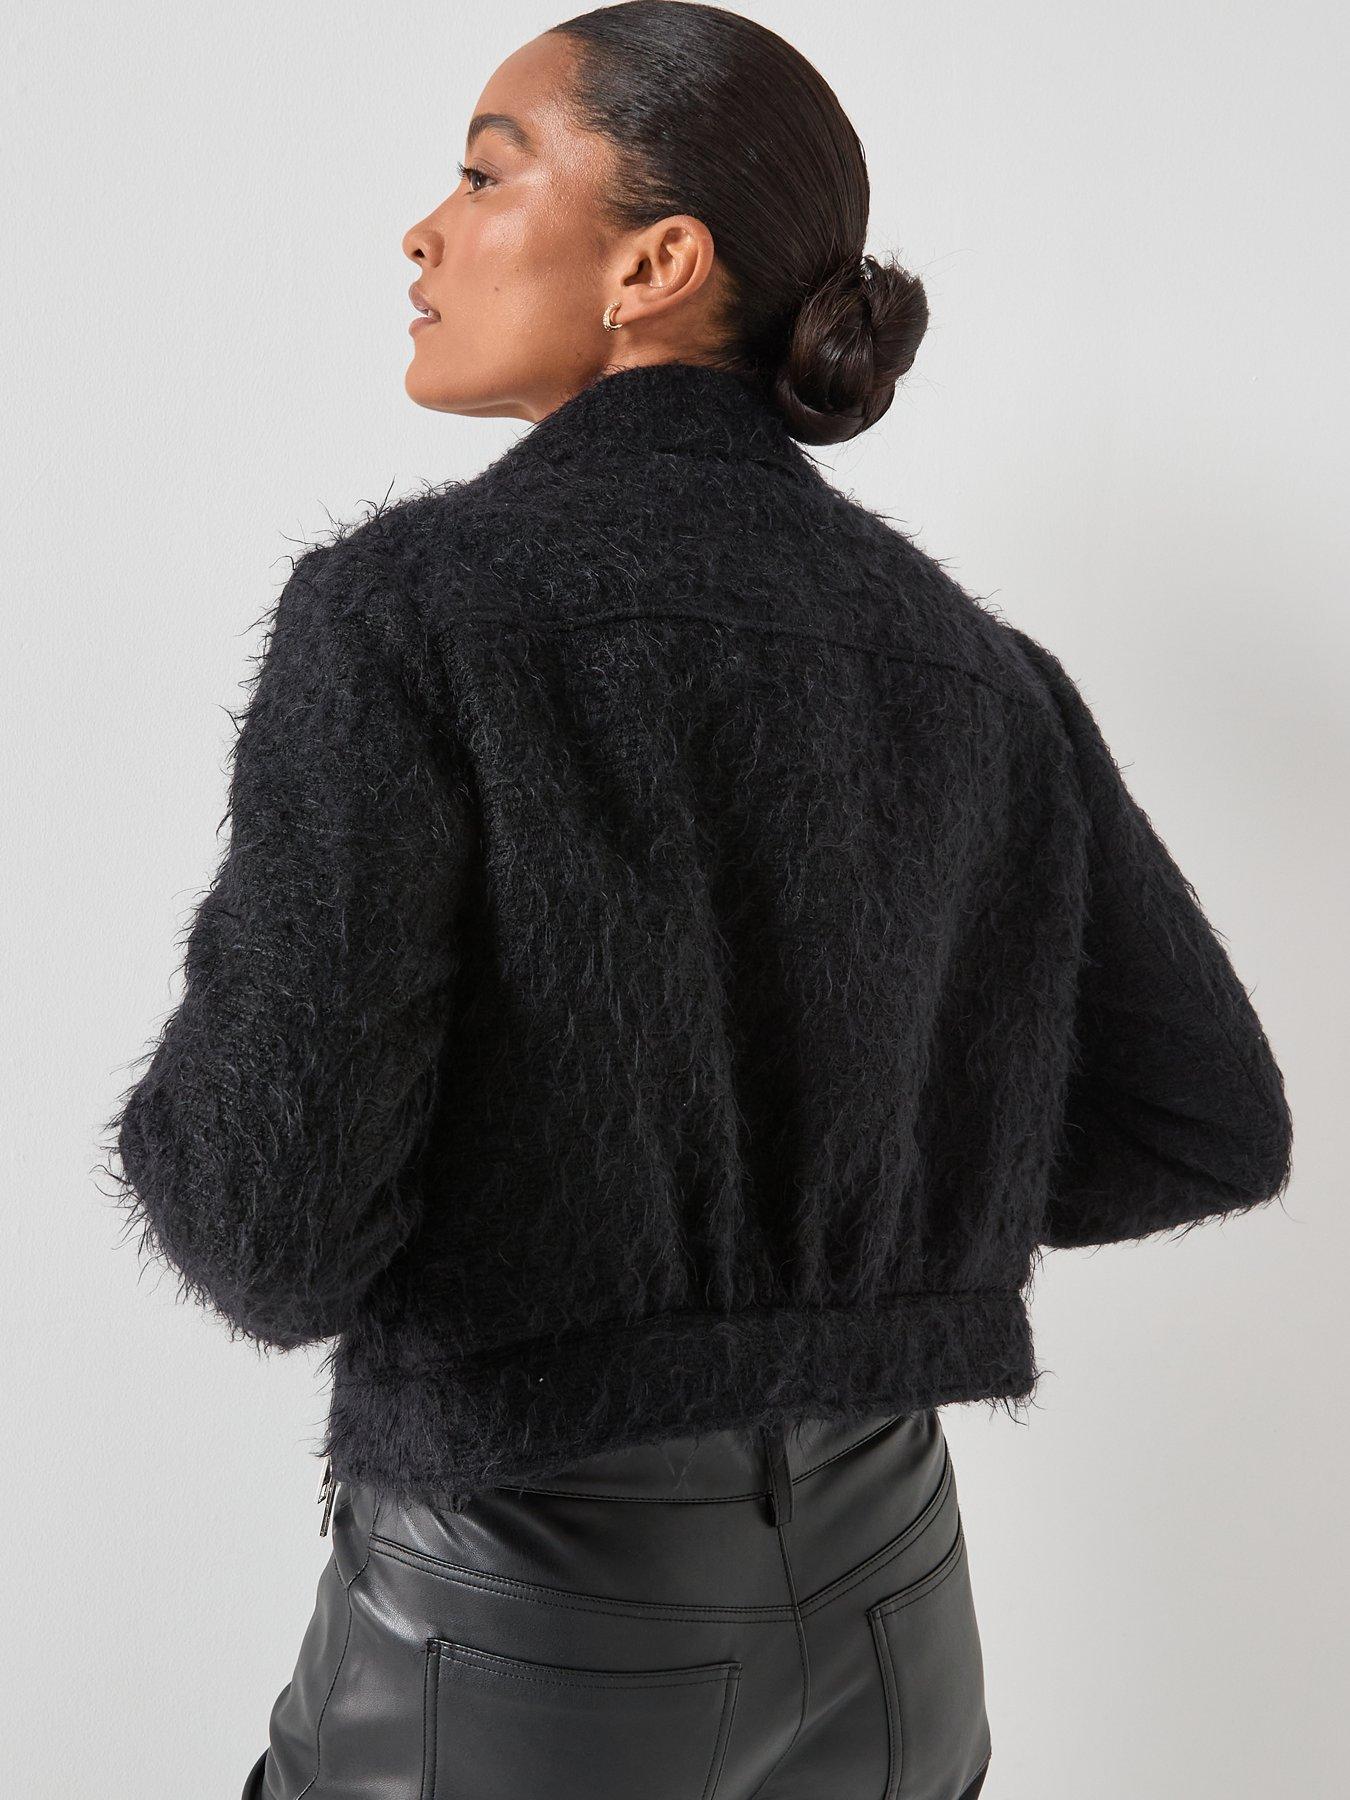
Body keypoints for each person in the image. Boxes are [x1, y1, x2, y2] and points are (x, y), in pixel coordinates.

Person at [102, 7, 1294, 1798]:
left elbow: (269, 1228)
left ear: (654, 264)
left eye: (484, 174)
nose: (422, 232)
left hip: (529, 1630)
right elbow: (1201, 1125)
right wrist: (855, 1220)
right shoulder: (982, 674)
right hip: (896, 1617)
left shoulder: (412, 614)